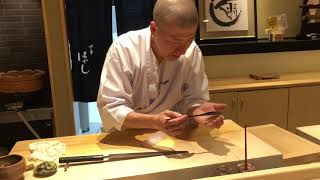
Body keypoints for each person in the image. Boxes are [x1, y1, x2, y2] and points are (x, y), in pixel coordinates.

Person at [97, 0, 226, 136]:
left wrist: (197, 110)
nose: (182, 49)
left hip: (171, 136)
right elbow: (111, 108)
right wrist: (153, 121)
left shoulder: (192, 51)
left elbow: (193, 98)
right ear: (153, 29)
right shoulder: (124, 48)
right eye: (174, 41)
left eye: (189, 40)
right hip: (124, 138)